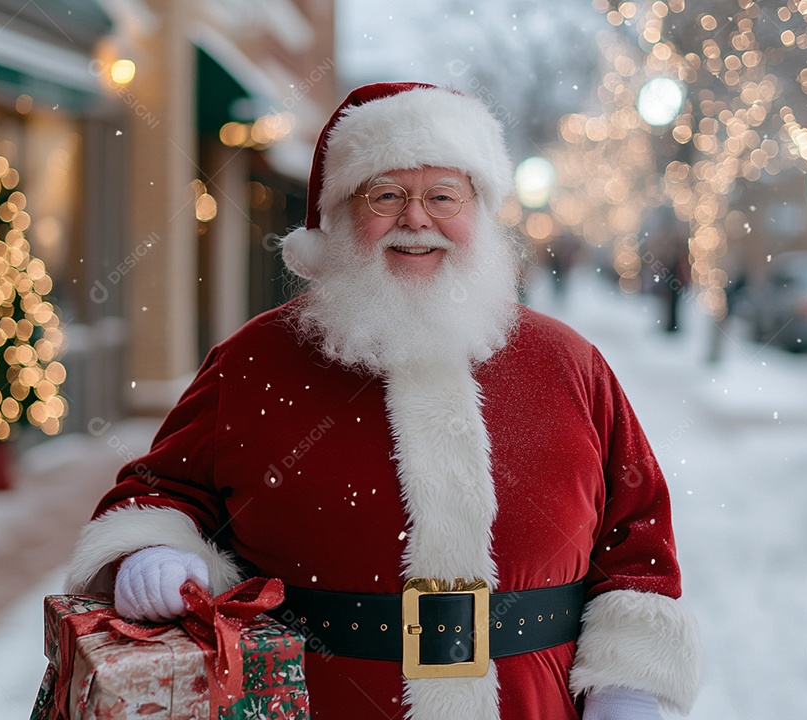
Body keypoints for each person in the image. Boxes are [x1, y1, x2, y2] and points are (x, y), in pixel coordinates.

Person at [64, 82, 701, 720]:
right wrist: (155, 549)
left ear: (477, 211)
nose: (417, 219)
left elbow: (637, 532)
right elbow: (159, 490)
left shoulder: (569, 363)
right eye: (386, 195)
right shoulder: (254, 360)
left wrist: (629, 690)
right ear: (340, 216)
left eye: (443, 196)